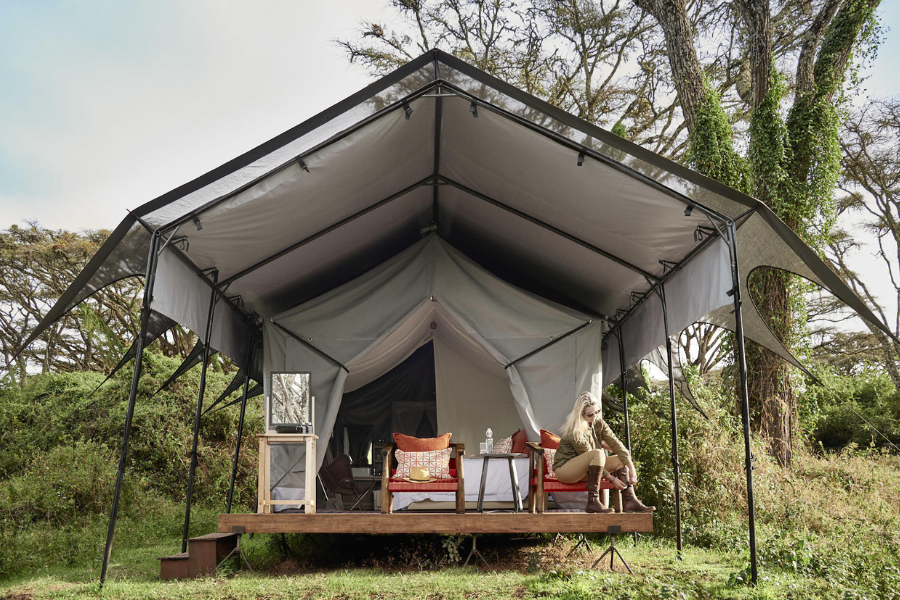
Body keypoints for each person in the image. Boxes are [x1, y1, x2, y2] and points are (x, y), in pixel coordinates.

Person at [552, 391, 655, 513]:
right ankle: (593, 502)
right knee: (598, 453)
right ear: (581, 414)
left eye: (597, 412)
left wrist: (631, 467)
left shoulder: (598, 423)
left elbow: (616, 443)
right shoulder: (574, 432)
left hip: (587, 471)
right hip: (566, 471)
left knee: (619, 459)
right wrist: (612, 479)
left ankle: (630, 500)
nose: (594, 417)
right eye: (590, 414)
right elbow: (592, 456)